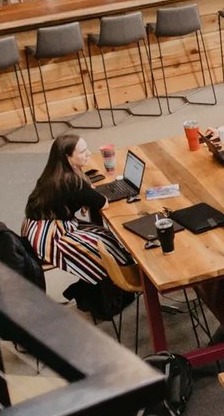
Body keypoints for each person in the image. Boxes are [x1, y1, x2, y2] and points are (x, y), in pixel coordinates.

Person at [23, 134, 138, 319]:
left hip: (40, 226)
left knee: (104, 235)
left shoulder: (55, 172)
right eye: (82, 152)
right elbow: (102, 203)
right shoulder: (71, 181)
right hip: (50, 236)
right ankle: (109, 293)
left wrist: (85, 196)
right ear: (68, 157)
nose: (88, 154)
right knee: (103, 247)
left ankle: (101, 289)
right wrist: (88, 195)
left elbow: (82, 196)